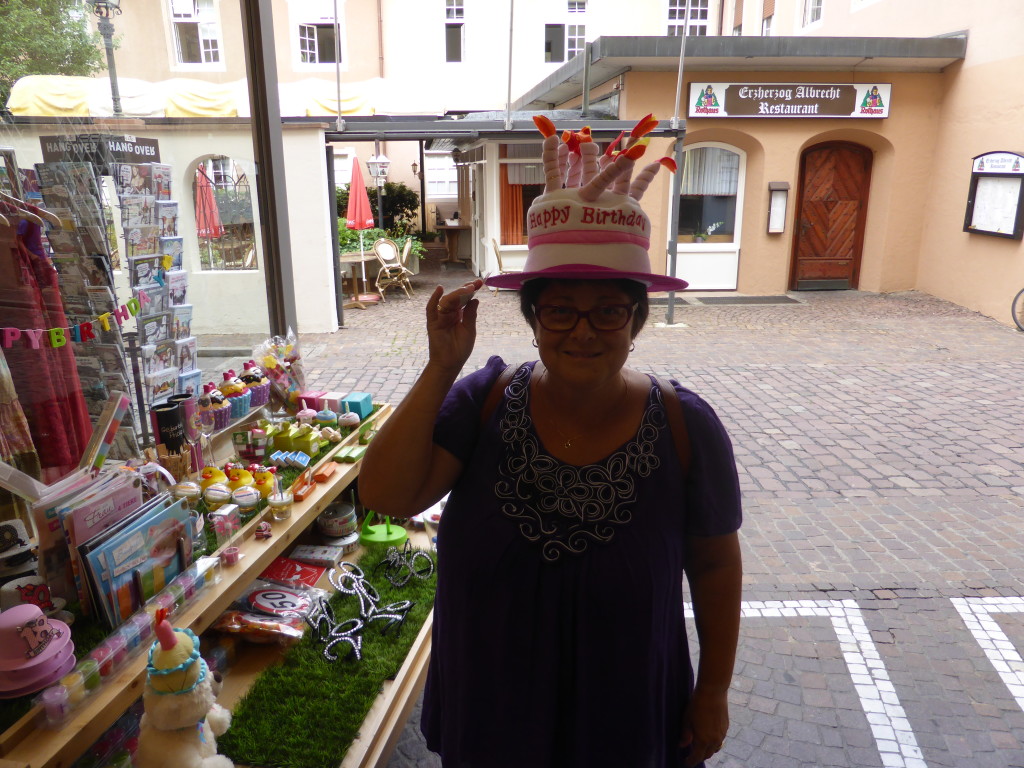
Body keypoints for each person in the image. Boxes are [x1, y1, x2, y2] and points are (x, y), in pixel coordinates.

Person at [359, 116, 743, 768]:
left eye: (608, 311)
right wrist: (439, 367)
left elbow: (714, 566)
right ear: (534, 317)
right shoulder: (480, 401)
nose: (583, 332)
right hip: (493, 715)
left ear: (636, 318)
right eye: (560, 309)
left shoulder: (687, 427)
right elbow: (387, 496)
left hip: (623, 718)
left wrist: (713, 690)